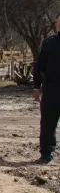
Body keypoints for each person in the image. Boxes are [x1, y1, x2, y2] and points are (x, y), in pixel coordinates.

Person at [33, 12, 60, 164]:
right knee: (48, 124)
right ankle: (46, 154)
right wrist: (36, 87)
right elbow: (40, 66)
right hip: (52, 90)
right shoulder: (49, 43)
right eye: (58, 23)